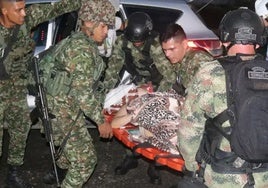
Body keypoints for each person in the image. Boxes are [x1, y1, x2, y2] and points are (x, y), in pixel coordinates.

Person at [176, 8, 268, 187]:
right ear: (259, 42)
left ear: (225, 39)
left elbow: (189, 129)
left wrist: (191, 165)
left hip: (224, 177)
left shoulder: (209, 73)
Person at [109, 23, 213, 175]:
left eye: (172, 49)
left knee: (149, 111)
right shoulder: (180, 60)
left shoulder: (198, 61)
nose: (168, 54)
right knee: (142, 101)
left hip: (200, 117)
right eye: (165, 50)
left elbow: (207, 99)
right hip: (182, 104)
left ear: (185, 44)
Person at [0, 0, 81, 187]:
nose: (24, 14)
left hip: (17, 88)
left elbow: (56, 8)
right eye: (18, 10)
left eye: (24, 8)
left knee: (20, 129)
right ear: (4, 11)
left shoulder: (27, 20)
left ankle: (13, 172)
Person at [39, 0, 115, 187]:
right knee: (85, 162)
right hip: (64, 111)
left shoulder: (77, 40)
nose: (106, 31)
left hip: (61, 107)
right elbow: (82, 93)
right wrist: (101, 121)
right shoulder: (81, 50)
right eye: (104, 26)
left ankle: (58, 172)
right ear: (89, 23)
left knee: (69, 149)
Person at [103, 11, 175, 93]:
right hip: (136, 79)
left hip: (157, 82)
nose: (136, 43)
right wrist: (107, 90)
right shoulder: (122, 42)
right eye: (133, 40)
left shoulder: (155, 45)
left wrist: (158, 93)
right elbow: (114, 66)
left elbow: (169, 76)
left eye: (139, 40)